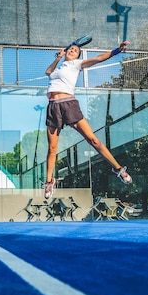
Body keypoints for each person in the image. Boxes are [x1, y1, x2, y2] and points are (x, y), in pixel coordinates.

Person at [43, 40, 133, 199]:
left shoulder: (77, 64)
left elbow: (98, 58)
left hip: (69, 104)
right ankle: (49, 182)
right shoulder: (58, 67)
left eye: (75, 50)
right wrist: (58, 57)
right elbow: (48, 71)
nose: (72, 50)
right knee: (52, 149)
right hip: (53, 107)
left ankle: (119, 169)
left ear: (78, 55)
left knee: (93, 140)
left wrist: (117, 50)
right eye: (70, 49)